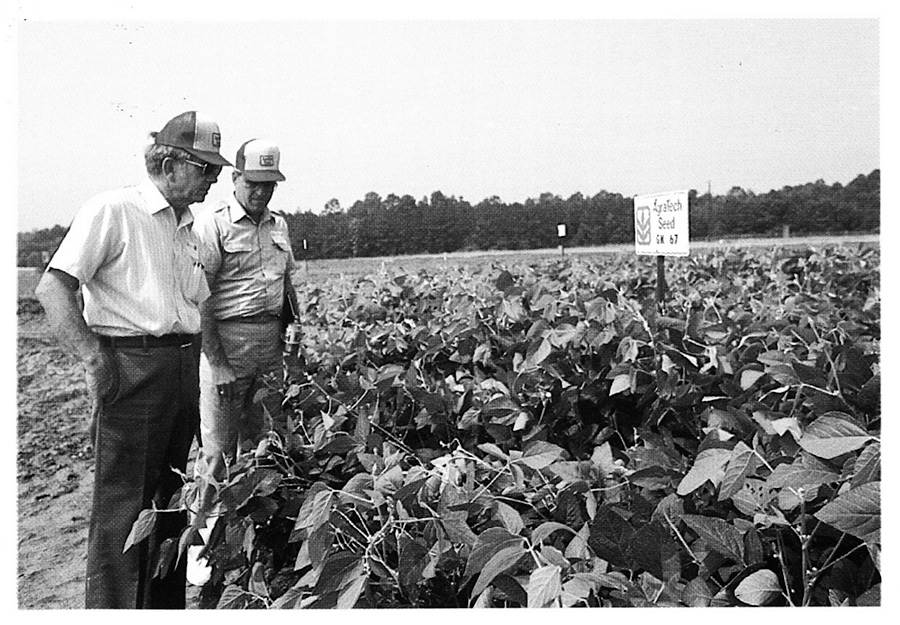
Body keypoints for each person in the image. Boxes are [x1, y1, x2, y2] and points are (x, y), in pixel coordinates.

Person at [34, 111, 231, 609]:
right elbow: (54, 286)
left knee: (167, 501)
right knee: (125, 509)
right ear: (168, 162)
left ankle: (161, 610)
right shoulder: (115, 210)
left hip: (179, 369)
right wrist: (93, 358)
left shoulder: (187, 225)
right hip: (134, 368)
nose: (214, 179)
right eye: (205, 168)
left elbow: (195, 304)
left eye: (216, 170)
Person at [188, 139, 299, 583]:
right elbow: (200, 300)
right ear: (235, 178)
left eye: (269, 185)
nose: (261, 193)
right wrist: (217, 363)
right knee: (216, 452)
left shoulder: (279, 225)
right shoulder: (212, 225)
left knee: (264, 446)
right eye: (253, 183)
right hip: (226, 344)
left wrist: (295, 323)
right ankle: (200, 549)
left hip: (269, 345)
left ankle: (254, 541)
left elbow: (285, 283)